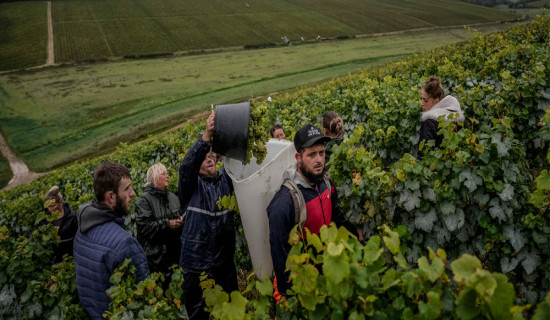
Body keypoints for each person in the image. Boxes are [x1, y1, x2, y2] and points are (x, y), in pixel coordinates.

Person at [267, 124, 359, 301]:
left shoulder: (326, 183)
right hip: (298, 284)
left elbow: (336, 219)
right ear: (298, 158)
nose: (319, 160)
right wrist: (292, 296)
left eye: (322, 153)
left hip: (323, 272)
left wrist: (357, 240)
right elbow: (281, 257)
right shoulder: (285, 201)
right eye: (311, 154)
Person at [178, 112, 238, 320]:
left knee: (230, 310)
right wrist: (206, 136)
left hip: (224, 263)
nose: (209, 159)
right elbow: (186, 168)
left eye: (211, 156)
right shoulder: (191, 187)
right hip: (196, 265)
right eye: (204, 158)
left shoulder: (225, 181)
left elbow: (238, 166)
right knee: (198, 314)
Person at [73, 161, 149, 320]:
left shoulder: (81, 231)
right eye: (127, 188)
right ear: (111, 196)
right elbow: (146, 300)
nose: (133, 193)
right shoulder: (124, 244)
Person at [136, 163, 183, 275]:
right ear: (154, 178)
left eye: (167, 173)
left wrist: (181, 221)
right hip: (156, 262)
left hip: (176, 258)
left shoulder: (173, 197)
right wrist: (167, 224)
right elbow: (145, 227)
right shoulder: (143, 200)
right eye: (163, 174)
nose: (167, 176)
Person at [419, 75, 465, 152]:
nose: (421, 103)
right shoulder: (458, 118)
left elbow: (424, 155)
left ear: (436, 101)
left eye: (425, 100)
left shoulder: (428, 123)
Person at [41, 186, 78, 262]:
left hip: (71, 258)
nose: (51, 209)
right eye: (48, 207)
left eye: (53, 206)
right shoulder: (44, 220)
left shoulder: (72, 217)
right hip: (54, 260)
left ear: (61, 201)